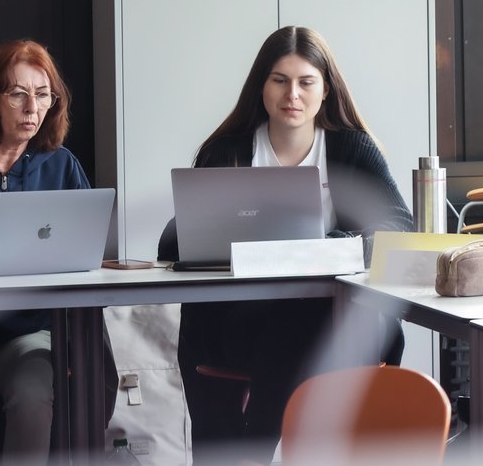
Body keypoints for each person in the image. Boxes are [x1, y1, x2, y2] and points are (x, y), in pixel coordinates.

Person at [158, 26, 413, 463]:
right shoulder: (229, 151)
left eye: (305, 82)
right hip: (246, 321)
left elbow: (397, 228)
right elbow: (177, 238)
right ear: (261, 87)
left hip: (339, 318)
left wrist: (328, 245)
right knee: (290, 324)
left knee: (307, 317)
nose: (291, 94)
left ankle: (257, 445)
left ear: (326, 90)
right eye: (279, 80)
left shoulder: (352, 149)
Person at [0, 39, 82, 464]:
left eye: (43, 95)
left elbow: (87, 251)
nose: (32, 108)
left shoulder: (61, 165)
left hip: (28, 331)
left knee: (34, 393)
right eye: (18, 93)